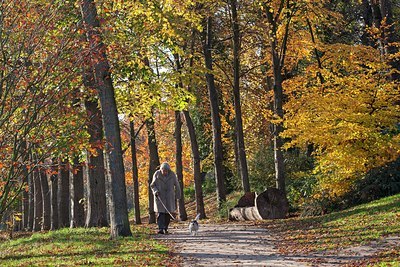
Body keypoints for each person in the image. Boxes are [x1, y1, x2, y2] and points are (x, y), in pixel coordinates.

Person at [150, 162, 181, 234]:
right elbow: (152, 185)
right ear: (161, 170)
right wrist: (155, 191)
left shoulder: (172, 174)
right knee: (160, 214)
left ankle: (165, 228)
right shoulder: (156, 174)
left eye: (166, 171)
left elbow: (177, 185)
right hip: (160, 196)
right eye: (164, 171)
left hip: (169, 197)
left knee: (167, 214)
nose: (165, 172)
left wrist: (178, 195)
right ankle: (160, 229)